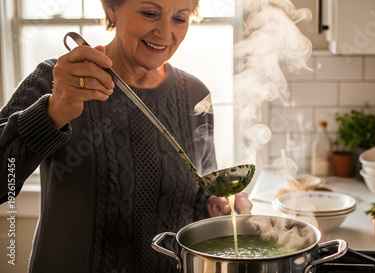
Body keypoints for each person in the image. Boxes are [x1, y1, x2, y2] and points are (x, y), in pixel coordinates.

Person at [0, 0, 253, 272]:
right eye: (149, 13)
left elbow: (196, 190)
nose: (165, 33)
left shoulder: (195, 95)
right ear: (111, 8)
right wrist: (53, 111)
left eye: (179, 19)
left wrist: (215, 206)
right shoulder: (59, 81)